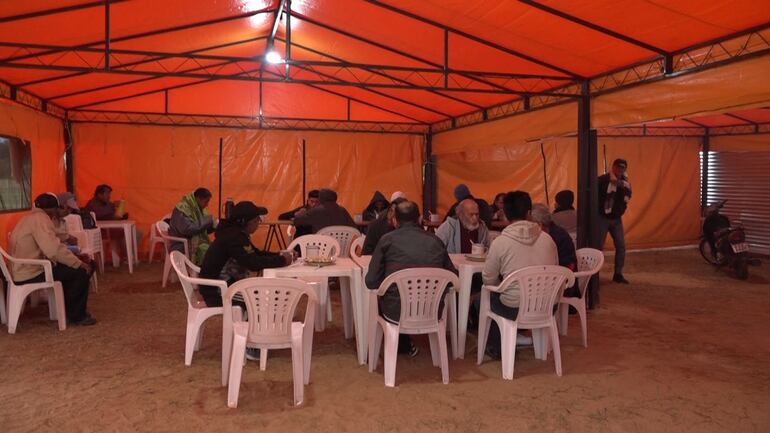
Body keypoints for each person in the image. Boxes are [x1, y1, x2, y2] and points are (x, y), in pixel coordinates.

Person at [365, 200, 457, 357]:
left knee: (383, 299)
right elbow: (453, 277)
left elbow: (371, 281)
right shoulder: (435, 241)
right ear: (420, 219)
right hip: (432, 310)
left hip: (396, 311)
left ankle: (387, 348)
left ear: (394, 221)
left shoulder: (387, 240)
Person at [481, 191, 558, 358]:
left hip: (514, 308)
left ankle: (498, 347)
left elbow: (488, 279)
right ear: (529, 213)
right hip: (547, 306)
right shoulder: (548, 240)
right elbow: (555, 270)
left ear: (506, 215)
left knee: (490, 296)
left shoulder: (500, 242)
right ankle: (517, 338)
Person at [9, 193, 96, 326]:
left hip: (21, 269)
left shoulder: (29, 218)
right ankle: (77, 316)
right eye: (56, 209)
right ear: (52, 209)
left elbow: (50, 239)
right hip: (31, 272)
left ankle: (69, 308)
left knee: (74, 269)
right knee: (81, 272)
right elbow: (53, 250)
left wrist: (73, 256)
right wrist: (78, 263)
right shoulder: (41, 219)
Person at [198, 201, 291, 308]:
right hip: (217, 291)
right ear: (245, 222)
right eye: (256, 220)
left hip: (224, 284)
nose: (259, 223)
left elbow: (256, 253)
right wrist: (282, 260)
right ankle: (259, 324)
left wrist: (280, 255)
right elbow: (252, 263)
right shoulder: (233, 238)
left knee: (267, 294)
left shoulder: (235, 233)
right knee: (264, 299)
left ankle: (260, 323)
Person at [598, 159, 632, 284]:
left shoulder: (625, 183)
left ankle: (618, 274)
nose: (620, 169)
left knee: (621, 246)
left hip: (616, 218)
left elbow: (628, 196)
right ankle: (594, 275)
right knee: (598, 247)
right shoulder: (602, 180)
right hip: (602, 218)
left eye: (623, 167)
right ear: (613, 167)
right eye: (618, 167)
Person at [168, 188, 215, 265]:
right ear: (198, 198)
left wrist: (214, 226)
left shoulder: (198, 207)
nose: (207, 205)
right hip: (180, 243)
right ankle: (202, 273)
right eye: (206, 201)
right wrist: (208, 220)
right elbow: (188, 229)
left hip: (192, 240)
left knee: (215, 248)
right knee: (209, 251)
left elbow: (202, 229)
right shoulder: (182, 208)